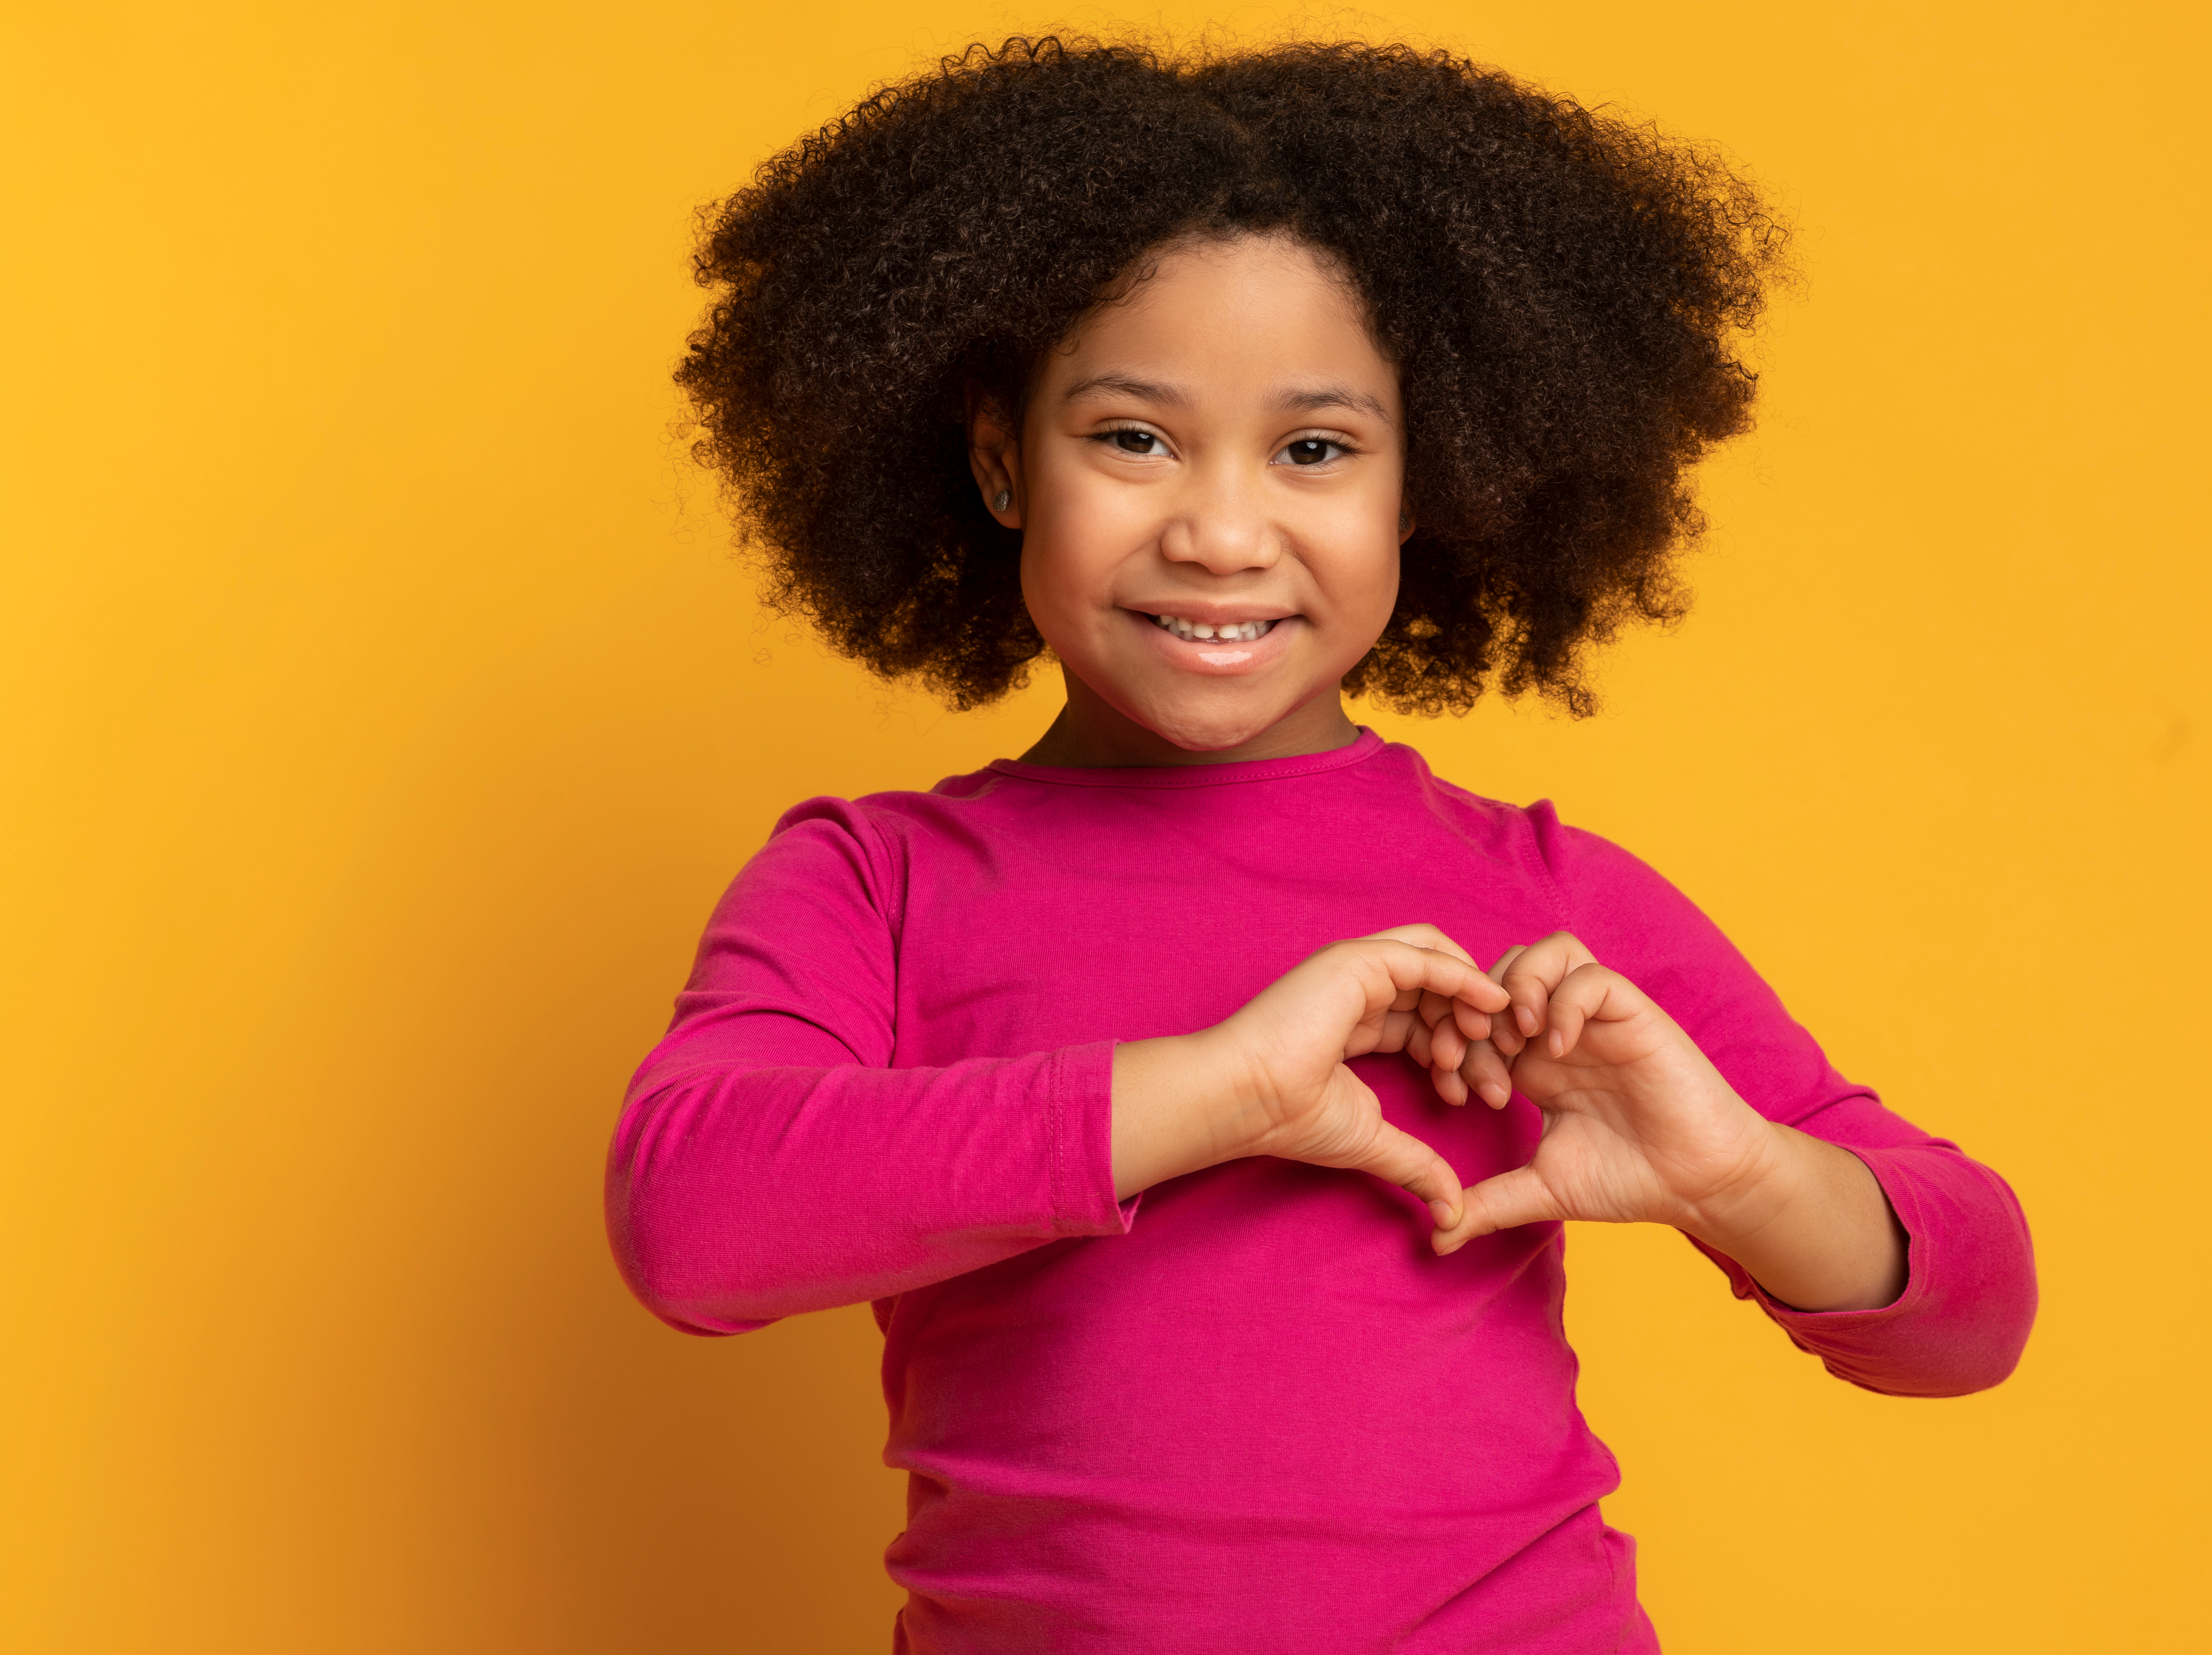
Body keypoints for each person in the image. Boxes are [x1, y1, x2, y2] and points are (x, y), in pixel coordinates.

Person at [608, 36, 2037, 1653]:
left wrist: (1738, 1173)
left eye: (1315, 450)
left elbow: (1970, 1314)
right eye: (1134, 438)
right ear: (1003, 457)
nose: (1222, 533)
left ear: (1431, 479)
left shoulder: (1540, 898)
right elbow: (696, 1223)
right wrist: (1223, 1089)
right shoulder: (875, 882)